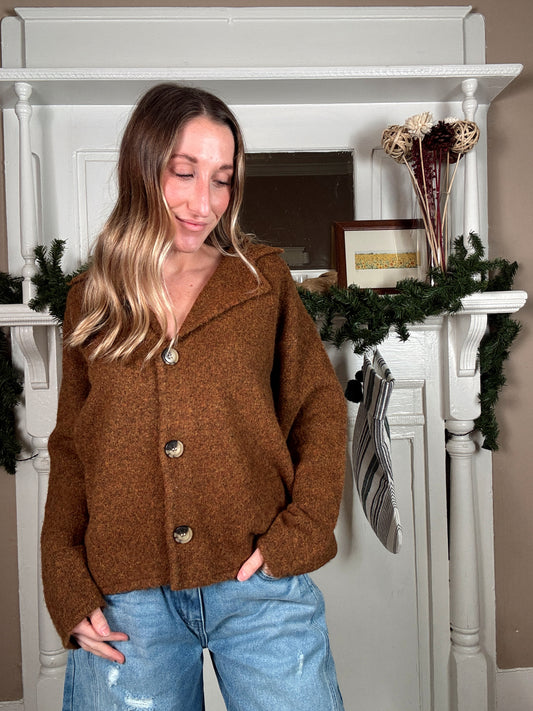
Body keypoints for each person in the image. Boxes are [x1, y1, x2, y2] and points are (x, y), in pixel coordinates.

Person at [41, 83, 347, 711]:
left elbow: (318, 404)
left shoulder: (259, 281)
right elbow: (72, 449)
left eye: (222, 180)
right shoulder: (91, 299)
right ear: (143, 167)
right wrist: (64, 579)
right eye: (184, 173)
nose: (204, 203)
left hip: (258, 583)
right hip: (125, 599)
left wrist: (303, 530)